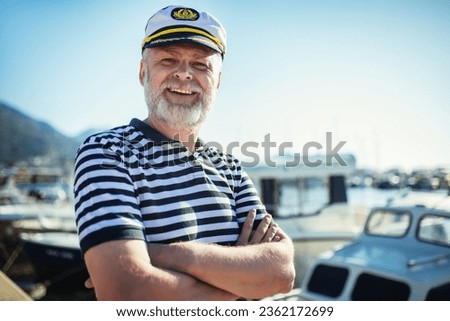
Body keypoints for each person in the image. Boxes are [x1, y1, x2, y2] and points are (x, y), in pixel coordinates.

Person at [74, 5, 295, 301]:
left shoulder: (229, 168)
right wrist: (238, 280)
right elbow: (127, 292)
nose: (184, 74)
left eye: (201, 65)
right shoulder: (106, 153)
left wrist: (162, 255)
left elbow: (280, 272)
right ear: (143, 72)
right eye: (168, 60)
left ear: (218, 80)